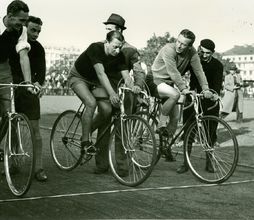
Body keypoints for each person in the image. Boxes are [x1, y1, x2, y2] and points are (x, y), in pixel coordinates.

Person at [93, 13, 145, 175]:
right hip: (105, 91)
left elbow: (138, 71)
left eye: (110, 28)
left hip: (123, 92)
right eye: (106, 28)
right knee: (103, 128)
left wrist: (137, 86)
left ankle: (122, 167)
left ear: (120, 30)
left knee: (122, 130)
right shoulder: (100, 46)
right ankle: (101, 164)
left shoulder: (130, 49)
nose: (106, 31)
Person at [68, 30, 131, 159]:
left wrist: (134, 88)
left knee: (107, 110)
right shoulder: (95, 48)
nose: (118, 51)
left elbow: (126, 76)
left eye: (120, 47)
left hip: (94, 81)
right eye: (115, 47)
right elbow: (101, 74)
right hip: (78, 77)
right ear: (106, 43)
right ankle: (85, 142)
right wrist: (112, 94)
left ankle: (88, 130)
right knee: (91, 103)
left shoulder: (119, 55)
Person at [0, 1, 32, 155]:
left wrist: (28, 82)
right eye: (21, 20)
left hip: (4, 68)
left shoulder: (21, 30)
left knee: (8, 110)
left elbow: (23, 57)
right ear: (10, 16)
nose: (24, 24)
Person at [146, 29, 212, 139]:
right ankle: (161, 124)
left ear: (190, 46)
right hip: (154, 80)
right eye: (178, 41)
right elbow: (173, 71)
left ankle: (166, 148)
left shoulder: (192, 53)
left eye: (183, 44)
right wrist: (183, 88)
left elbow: (199, 71)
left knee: (175, 118)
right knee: (175, 94)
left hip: (168, 85)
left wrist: (206, 89)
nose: (179, 46)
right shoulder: (169, 49)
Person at [8, 16, 47, 181]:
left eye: (38, 31)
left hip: (28, 89)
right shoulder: (12, 43)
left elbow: (41, 74)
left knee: (35, 130)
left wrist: (37, 84)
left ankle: (38, 168)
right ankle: (12, 163)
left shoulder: (38, 48)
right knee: (11, 128)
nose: (36, 34)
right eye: (33, 30)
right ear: (24, 27)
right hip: (11, 87)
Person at [177, 39, 224, 174]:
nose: (203, 55)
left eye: (207, 53)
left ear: (212, 53)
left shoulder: (217, 65)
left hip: (209, 103)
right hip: (193, 99)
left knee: (210, 133)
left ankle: (209, 162)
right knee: (188, 133)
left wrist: (211, 94)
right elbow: (180, 71)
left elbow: (216, 86)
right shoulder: (193, 61)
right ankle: (185, 163)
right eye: (201, 51)